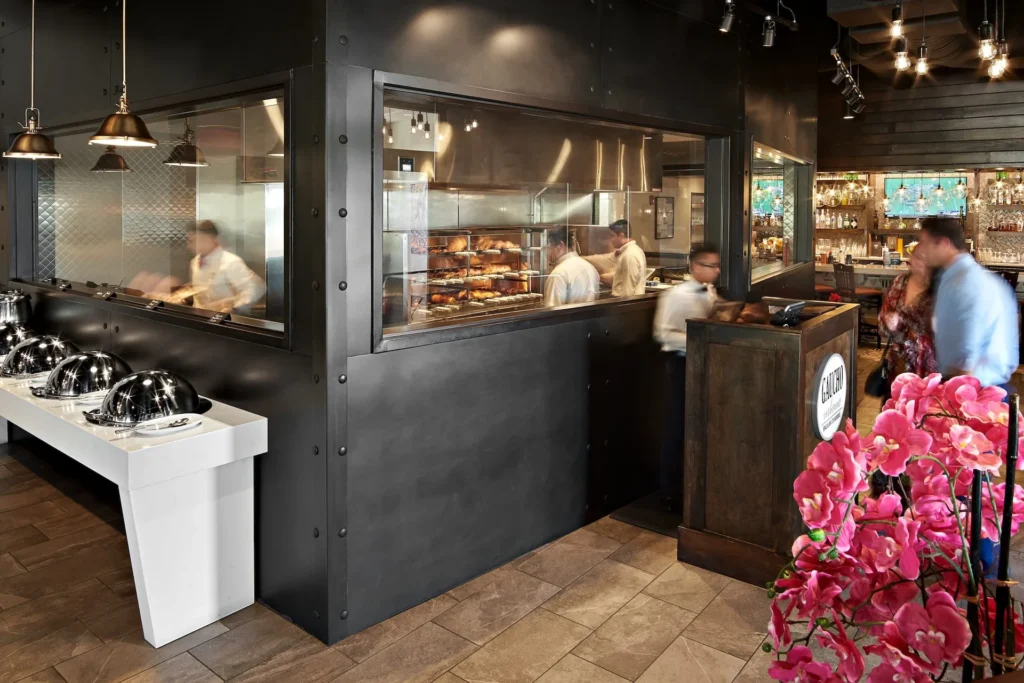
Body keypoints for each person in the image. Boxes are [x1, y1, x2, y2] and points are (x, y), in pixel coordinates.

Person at [914, 216, 1018, 395]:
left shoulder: (964, 283)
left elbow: (966, 354)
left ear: (944, 243)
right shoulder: (962, 277)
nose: (921, 250)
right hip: (980, 384)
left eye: (924, 242)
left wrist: (953, 397)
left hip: (974, 391)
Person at [652, 243, 721, 512]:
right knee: (675, 428)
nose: (715, 271)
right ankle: (668, 492)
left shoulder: (711, 291)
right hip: (680, 365)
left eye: (717, 266)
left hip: (704, 365)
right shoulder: (675, 296)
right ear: (694, 267)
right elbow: (662, 333)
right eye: (710, 266)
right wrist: (699, 338)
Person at [877, 246, 938, 399]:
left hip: (929, 370)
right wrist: (889, 323)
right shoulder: (900, 282)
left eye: (921, 258)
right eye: (914, 257)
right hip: (898, 366)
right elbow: (882, 325)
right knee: (894, 414)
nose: (913, 262)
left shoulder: (941, 288)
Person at [188, 220, 267, 314]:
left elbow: (255, 289)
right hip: (201, 319)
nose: (188, 246)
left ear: (207, 239)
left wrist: (233, 308)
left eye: (192, 241)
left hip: (225, 321)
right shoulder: (195, 262)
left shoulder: (230, 262)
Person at [543, 228, 599, 307]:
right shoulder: (590, 268)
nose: (549, 252)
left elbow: (552, 311)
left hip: (569, 319)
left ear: (560, 245)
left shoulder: (559, 273)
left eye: (550, 248)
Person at [602, 219, 647, 297]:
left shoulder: (629, 255)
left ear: (621, 236)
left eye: (612, 235)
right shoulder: (633, 251)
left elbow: (628, 291)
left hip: (624, 305)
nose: (611, 240)